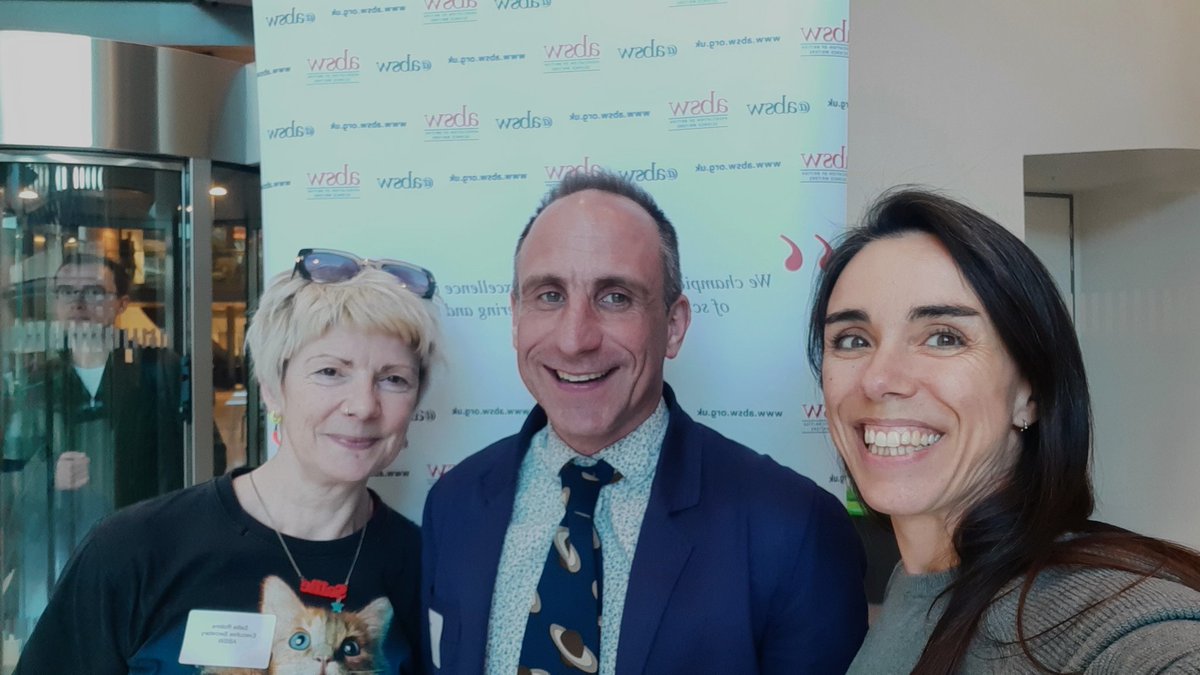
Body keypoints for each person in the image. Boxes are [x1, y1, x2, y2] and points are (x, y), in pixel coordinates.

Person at [422, 172, 867, 675]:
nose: (574, 339)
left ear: (673, 326)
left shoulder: (794, 529)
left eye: (615, 297)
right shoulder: (453, 505)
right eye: (548, 295)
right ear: (514, 316)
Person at [808, 188, 1200, 673]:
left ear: (1029, 393)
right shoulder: (918, 578)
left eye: (944, 337)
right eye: (852, 339)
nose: (880, 378)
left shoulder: (1106, 624)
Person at [16, 248, 439, 674]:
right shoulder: (133, 550)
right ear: (272, 388)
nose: (363, 406)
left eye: (393, 379)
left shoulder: (428, 566)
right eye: (330, 372)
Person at [2, 253, 184, 639]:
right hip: (57, 552)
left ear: (121, 304)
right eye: (66, 291)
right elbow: (10, 465)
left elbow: (191, 455)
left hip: (145, 544)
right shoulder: (33, 381)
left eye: (94, 292)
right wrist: (48, 475)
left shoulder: (158, 368)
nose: (78, 302)